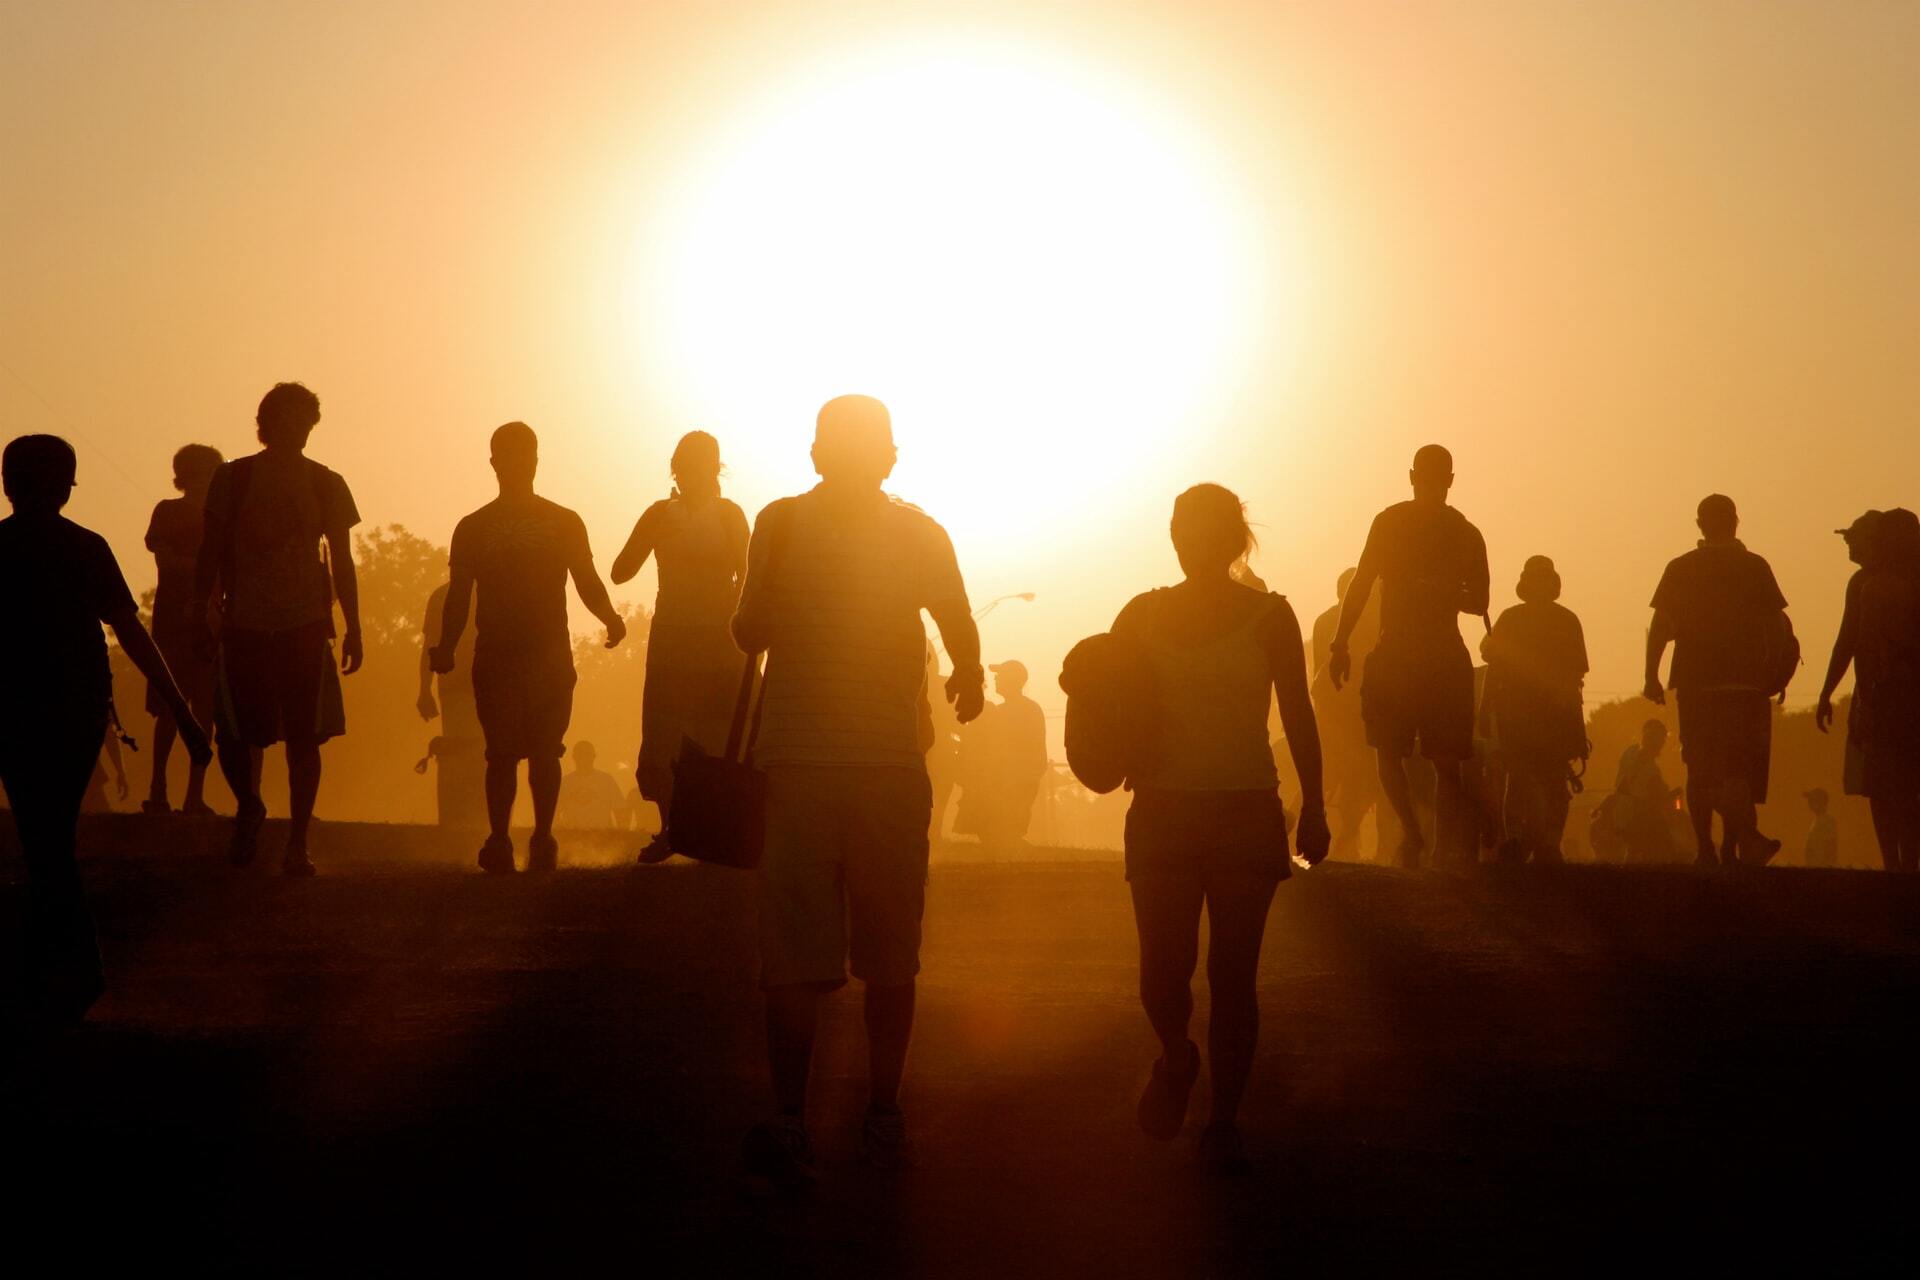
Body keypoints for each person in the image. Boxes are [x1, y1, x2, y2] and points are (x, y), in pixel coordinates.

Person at [730, 394, 984, 1187]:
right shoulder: (919, 532)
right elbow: (959, 626)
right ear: (890, 457)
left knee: (794, 958)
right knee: (890, 954)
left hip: (797, 764)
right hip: (887, 766)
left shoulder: (778, 523)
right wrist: (968, 680)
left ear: (814, 454)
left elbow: (747, 631)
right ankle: (883, 1113)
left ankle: (790, 1119)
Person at [1113, 484, 1328, 1173]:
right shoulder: (1139, 615)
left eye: (1200, 530)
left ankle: (1224, 1120)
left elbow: (1298, 712)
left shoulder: (1270, 616)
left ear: (1232, 541)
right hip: (1163, 812)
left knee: (1233, 976)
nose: (1188, 541)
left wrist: (1316, 804)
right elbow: (1100, 705)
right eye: (1182, 528)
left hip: (1243, 809)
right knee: (1161, 974)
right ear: (1172, 537)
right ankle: (1177, 1057)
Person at [0, 435, 210, 1026]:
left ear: (7, 484)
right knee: (49, 837)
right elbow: (132, 634)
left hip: (17, 709)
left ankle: (60, 969)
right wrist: (184, 711)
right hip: (75, 709)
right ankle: (70, 969)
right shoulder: (85, 548)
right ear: (68, 487)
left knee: (42, 837)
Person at [432, 422, 627, 874]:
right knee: (503, 752)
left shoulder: (560, 522)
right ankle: (504, 839)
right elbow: (458, 595)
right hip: (500, 654)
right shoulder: (474, 528)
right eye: (511, 455)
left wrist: (611, 618)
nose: (519, 463)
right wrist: (445, 646)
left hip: (546, 655)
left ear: (534, 461)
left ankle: (538, 838)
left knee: (543, 750)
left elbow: (586, 581)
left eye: (525, 455)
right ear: (496, 463)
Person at [193, 382, 363, 877]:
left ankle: (297, 841)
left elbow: (344, 561)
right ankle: (250, 805)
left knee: (305, 736)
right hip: (244, 621)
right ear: (268, 423)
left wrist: (354, 627)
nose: (301, 430)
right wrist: (196, 607)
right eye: (291, 419)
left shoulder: (327, 482)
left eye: (308, 421)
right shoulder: (233, 478)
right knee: (236, 733)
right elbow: (211, 550)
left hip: (305, 623)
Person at [1327, 444, 1489, 867]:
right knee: (1406, 754)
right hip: (1413, 652)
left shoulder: (1448, 531)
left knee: (1425, 758)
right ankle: (1420, 838)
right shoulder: (1455, 531)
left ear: (1414, 476)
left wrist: (1341, 642)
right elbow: (1361, 584)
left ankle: (1426, 841)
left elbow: (1478, 601)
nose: (1435, 485)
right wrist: (1339, 642)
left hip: (1416, 651)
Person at [611, 431, 748, 863]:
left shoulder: (730, 515)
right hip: (672, 637)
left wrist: (740, 623)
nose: (695, 474)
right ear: (676, 469)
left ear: (716, 469)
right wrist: (651, 534)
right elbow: (620, 572)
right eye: (687, 466)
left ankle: (724, 831)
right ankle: (670, 829)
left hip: (721, 639)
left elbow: (748, 575)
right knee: (667, 735)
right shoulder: (658, 514)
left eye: (704, 466)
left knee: (722, 734)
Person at [1643, 494, 1792, 869]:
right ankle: (1735, 846)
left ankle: (1707, 849)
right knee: (1737, 769)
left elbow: (1661, 627)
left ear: (1699, 525)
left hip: (1696, 681)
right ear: (1736, 522)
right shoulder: (1755, 567)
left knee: (1700, 767)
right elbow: (1777, 628)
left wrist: (1651, 675)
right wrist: (1777, 672)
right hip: (1745, 683)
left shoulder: (1680, 568)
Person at [1815, 509, 1920, 873]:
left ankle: (1895, 864)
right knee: (1907, 784)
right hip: (1898, 692)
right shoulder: (1880, 582)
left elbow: (1853, 643)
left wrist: (1836, 693)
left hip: (1885, 693)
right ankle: (1907, 864)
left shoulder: (1871, 586)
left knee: (1882, 784)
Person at [1478, 556, 1588, 864]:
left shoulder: (1565, 620)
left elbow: (1575, 674)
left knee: (1553, 780)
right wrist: (1486, 708)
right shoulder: (1514, 619)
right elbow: (1493, 664)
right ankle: (1515, 836)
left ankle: (1549, 841)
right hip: (1518, 714)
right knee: (1519, 777)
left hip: (1553, 714)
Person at [142, 443, 223, 815]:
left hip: (211, 623)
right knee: (171, 707)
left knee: (205, 709)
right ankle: (158, 789)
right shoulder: (169, 511)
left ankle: (195, 793)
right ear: (185, 474)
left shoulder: (221, 516)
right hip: (175, 620)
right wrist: (208, 575)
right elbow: (166, 562)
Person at [1310, 568, 1383, 860]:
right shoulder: (1371, 620)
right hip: (1355, 708)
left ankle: (1291, 836)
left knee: (1325, 775)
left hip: (1331, 706)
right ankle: (1346, 841)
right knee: (1360, 775)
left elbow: (1318, 668)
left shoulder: (1324, 620)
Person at [955, 659, 1049, 852]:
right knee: (1000, 832)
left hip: (1015, 779)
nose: (996, 679)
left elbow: (1017, 748)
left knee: (1005, 830)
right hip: (1012, 777)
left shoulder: (1017, 711)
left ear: (1014, 681)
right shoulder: (1021, 709)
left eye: (1001, 676)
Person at [417, 580, 485, 829]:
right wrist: (424, 689)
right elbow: (430, 646)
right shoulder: (442, 596)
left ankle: (474, 820)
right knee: (465, 752)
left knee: (479, 752)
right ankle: (463, 820)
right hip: (458, 685)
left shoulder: (442, 594)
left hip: (480, 684)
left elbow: (429, 646)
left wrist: (425, 689)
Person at [1610, 719, 1681, 863]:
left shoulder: (1629, 752)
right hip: (1637, 818)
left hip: (1620, 813)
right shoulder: (1651, 771)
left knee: (1634, 850)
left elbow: (1621, 786)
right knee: (1666, 847)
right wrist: (1675, 793)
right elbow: (1654, 800)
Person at [556, 740, 626, 830]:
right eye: (580, 755)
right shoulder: (565, 782)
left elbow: (619, 810)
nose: (583, 758)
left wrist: (621, 835)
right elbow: (554, 812)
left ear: (593, 757)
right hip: (572, 835)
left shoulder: (606, 780)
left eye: (586, 755)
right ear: (574, 757)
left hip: (603, 836)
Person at [1803, 787, 1840, 868]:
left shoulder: (1828, 821)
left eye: (1812, 800)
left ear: (1821, 802)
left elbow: (1831, 848)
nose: (1809, 803)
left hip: (1821, 870)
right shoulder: (1816, 820)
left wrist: (1828, 869)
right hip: (1814, 868)